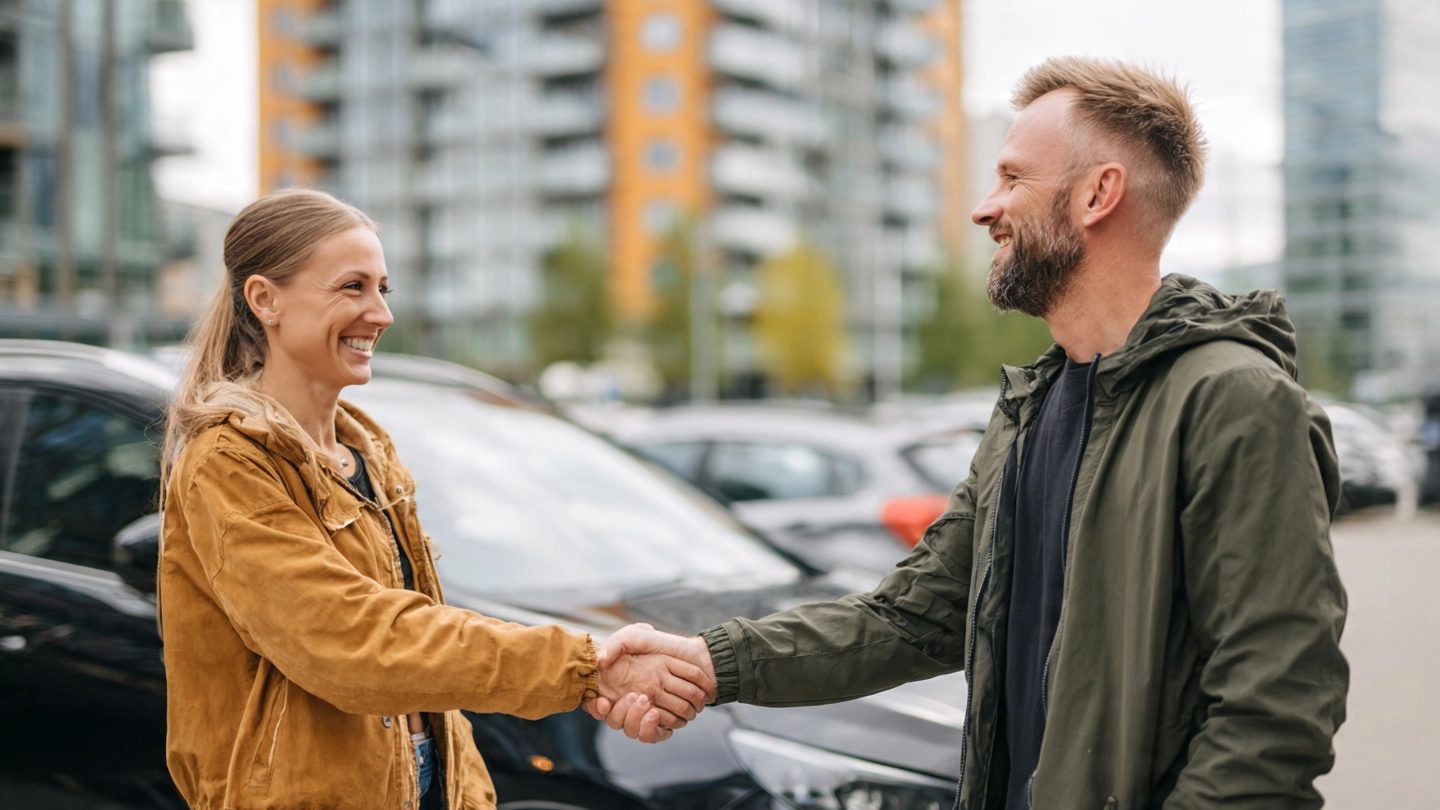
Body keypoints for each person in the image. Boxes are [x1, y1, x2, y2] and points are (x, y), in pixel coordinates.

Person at [593, 57, 1350, 809]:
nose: (986, 209)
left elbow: (1274, 712)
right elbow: (910, 617)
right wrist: (707, 662)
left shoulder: (1235, 401)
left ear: (1098, 193)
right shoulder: (1030, 409)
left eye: (1013, 179)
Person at [158, 189, 710, 810]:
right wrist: (588, 667)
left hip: (422, 780)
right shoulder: (227, 462)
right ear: (265, 300)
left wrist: (470, 791)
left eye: (383, 289)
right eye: (352, 287)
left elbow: (423, 641)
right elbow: (352, 640)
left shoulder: (367, 450)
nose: (381, 313)